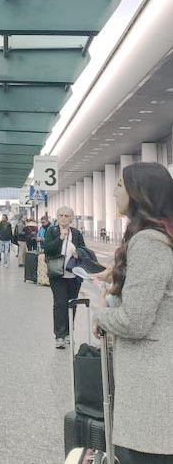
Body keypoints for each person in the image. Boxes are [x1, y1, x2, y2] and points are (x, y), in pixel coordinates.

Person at [93, 162, 173, 463]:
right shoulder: (160, 236)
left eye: (119, 185)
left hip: (152, 384)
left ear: (139, 193)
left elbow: (135, 321)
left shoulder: (148, 242)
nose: (114, 192)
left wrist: (101, 315)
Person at [44, 205, 85, 349]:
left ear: (71, 218)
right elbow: (48, 249)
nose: (63, 218)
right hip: (57, 274)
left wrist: (78, 254)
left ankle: (69, 333)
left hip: (74, 275)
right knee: (60, 303)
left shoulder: (77, 234)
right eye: (61, 215)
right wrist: (60, 238)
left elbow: (83, 250)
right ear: (57, 217)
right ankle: (59, 335)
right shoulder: (52, 231)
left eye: (66, 216)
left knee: (72, 304)